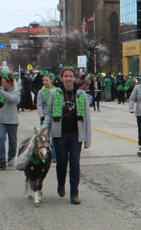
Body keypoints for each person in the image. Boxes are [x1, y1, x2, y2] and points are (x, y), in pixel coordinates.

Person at [42, 67, 92, 205]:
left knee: (75, 163)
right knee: (62, 162)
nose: (68, 79)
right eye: (66, 76)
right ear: (62, 78)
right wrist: (44, 129)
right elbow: (49, 113)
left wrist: (87, 139)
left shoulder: (81, 94)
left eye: (71, 76)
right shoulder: (55, 93)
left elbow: (87, 118)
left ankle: (74, 193)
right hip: (60, 134)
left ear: (75, 78)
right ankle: (61, 183)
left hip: (76, 134)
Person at [37, 73, 56, 163]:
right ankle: (46, 155)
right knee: (45, 137)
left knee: (55, 137)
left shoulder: (56, 91)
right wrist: (42, 115)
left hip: (54, 116)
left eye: (47, 80)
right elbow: (39, 105)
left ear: (51, 80)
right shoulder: (41, 92)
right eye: (43, 80)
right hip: (45, 116)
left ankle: (55, 156)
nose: (45, 82)